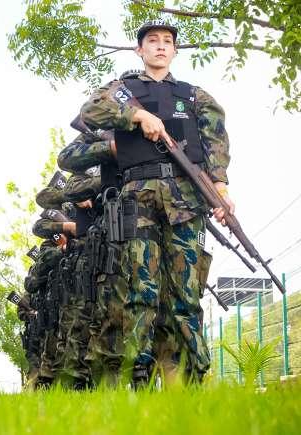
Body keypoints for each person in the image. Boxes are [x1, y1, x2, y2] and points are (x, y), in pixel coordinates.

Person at [78, 20, 234, 385]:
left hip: (186, 201)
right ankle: (138, 379)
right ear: (140, 50)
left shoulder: (195, 96)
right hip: (138, 199)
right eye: (152, 41)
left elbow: (215, 143)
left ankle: (188, 381)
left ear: (175, 50)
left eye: (167, 41)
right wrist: (137, 114)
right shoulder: (121, 90)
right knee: (140, 292)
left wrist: (221, 190)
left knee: (186, 295)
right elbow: (90, 110)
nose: (161, 46)